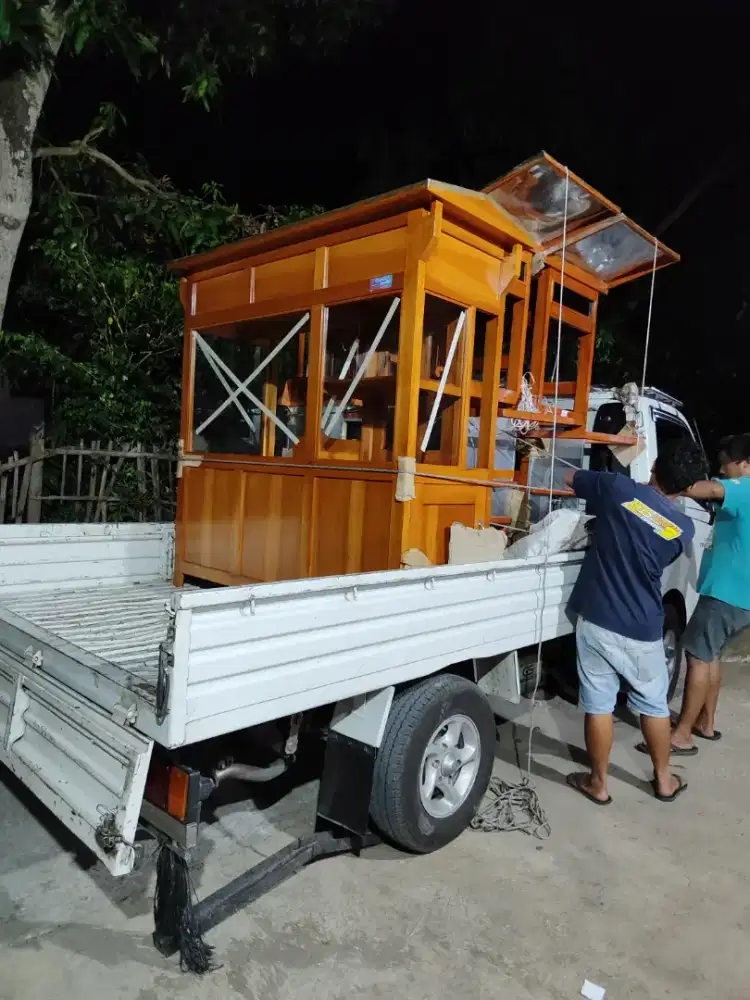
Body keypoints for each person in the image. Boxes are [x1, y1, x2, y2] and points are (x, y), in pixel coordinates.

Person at [562, 439, 707, 805]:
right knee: (654, 705)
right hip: (642, 627)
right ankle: (663, 780)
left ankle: (598, 783)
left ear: (655, 465)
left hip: (596, 618)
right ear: (688, 488)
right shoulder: (683, 529)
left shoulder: (617, 488)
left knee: (599, 704)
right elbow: (652, 526)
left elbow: (569, 477)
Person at [667, 434, 750, 753]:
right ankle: (706, 723)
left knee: (698, 659)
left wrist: (675, 481)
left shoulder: (743, 487)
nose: (722, 468)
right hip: (739, 598)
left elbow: (712, 490)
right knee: (712, 655)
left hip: (725, 595)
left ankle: (682, 735)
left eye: (726, 462)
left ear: (744, 464)